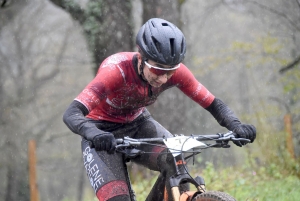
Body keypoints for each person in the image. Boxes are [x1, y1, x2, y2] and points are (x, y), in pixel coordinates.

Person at [63, 18, 256, 201]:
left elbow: (213, 103)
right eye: (158, 70)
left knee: (175, 159)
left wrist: (235, 125)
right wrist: (94, 134)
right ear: (141, 58)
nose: (164, 79)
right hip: (100, 133)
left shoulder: (176, 72)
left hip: (138, 123)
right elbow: (71, 114)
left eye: (170, 72)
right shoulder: (116, 71)